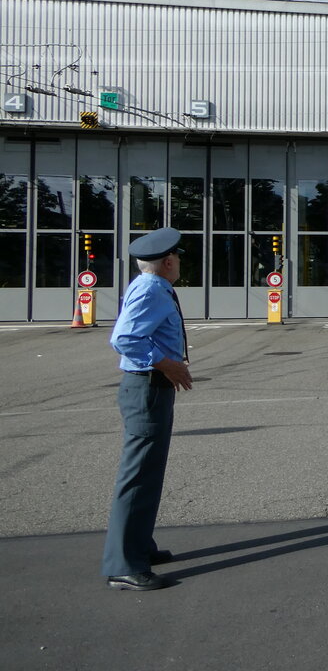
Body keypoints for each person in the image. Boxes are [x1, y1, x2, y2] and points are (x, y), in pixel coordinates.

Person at [101, 227, 193, 591]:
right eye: (178, 257)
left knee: (148, 472)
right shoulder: (153, 288)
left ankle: (139, 546)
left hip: (151, 388)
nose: (180, 262)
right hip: (146, 388)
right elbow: (124, 338)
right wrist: (165, 363)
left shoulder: (150, 285)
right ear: (168, 261)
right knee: (138, 475)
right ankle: (123, 564)